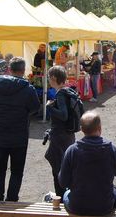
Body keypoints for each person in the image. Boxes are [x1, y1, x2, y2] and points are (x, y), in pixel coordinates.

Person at [0, 57, 40, 201]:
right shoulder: (28, 89)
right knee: (17, 170)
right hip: (19, 135)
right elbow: (35, 108)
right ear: (23, 70)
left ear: (10, 69)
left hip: (0, 134)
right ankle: (12, 198)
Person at [59, 111, 116, 216]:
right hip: (104, 206)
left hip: (77, 206)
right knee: (113, 191)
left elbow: (63, 182)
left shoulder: (72, 150)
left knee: (66, 193)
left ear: (82, 129)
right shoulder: (112, 149)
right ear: (100, 128)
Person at [45, 66, 76, 201]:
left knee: (58, 170)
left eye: (48, 78)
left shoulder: (61, 94)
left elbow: (63, 115)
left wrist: (50, 107)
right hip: (68, 136)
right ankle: (64, 197)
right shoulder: (68, 91)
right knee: (65, 167)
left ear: (53, 78)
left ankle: (61, 200)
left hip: (60, 138)